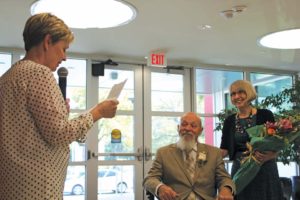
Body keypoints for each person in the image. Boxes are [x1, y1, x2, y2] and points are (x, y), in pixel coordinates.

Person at [0, 13, 119, 200]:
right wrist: (98, 112)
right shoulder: (39, 73)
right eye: (63, 49)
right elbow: (59, 134)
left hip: (11, 186)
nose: (64, 57)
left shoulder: (7, 77)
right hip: (38, 187)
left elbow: (29, 130)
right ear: (48, 41)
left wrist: (60, 114)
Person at [143, 112, 235, 200]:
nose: (187, 128)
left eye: (193, 126)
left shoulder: (214, 153)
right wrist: (160, 187)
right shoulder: (163, 153)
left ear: (200, 130)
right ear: (178, 128)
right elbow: (149, 179)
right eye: (184, 124)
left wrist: (226, 189)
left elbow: (223, 178)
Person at [220, 80, 283, 200]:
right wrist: (204, 154)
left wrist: (269, 156)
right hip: (241, 171)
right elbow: (224, 150)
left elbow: (277, 143)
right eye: (233, 94)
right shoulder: (229, 121)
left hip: (264, 169)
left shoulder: (265, 114)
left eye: (241, 92)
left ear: (249, 93)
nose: (236, 96)